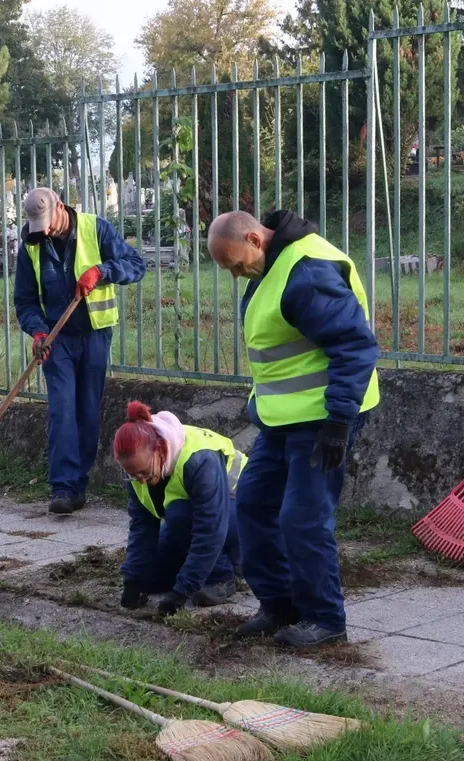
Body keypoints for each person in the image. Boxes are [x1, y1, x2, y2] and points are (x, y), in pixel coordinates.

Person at [205, 209, 380, 648]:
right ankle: (280, 606)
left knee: (302, 519)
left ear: (253, 238)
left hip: (323, 420)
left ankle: (325, 619)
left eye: (235, 263)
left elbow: (354, 346)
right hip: (281, 421)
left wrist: (340, 419)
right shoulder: (269, 267)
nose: (235, 274)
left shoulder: (306, 272)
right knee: (252, 503)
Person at [14, 188, 145, 515]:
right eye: (37, 226)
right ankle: (64, 487)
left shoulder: (95, 229)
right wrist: (38, 330)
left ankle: (80, 483)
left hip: (95, 336)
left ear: (61, 207)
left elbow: (136, 264)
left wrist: (100, 272)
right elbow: (25, 301)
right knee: (61, 410)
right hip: (55, 341)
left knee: (87, 410)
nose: (44, 231)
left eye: (47, 223)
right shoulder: (32, 243)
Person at [114, 401, 244, 617]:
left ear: (160, 450)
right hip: (191, 521)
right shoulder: (137, 469)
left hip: (243, 516)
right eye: (133, 475)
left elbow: (210, 529)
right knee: (152, 579)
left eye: (144, 472)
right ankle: (207, 566)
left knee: (179, 514)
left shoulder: (200, 459)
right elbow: (142, 527)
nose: (140, 480)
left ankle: (221, 575)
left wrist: (182, 591)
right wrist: (133, 579)